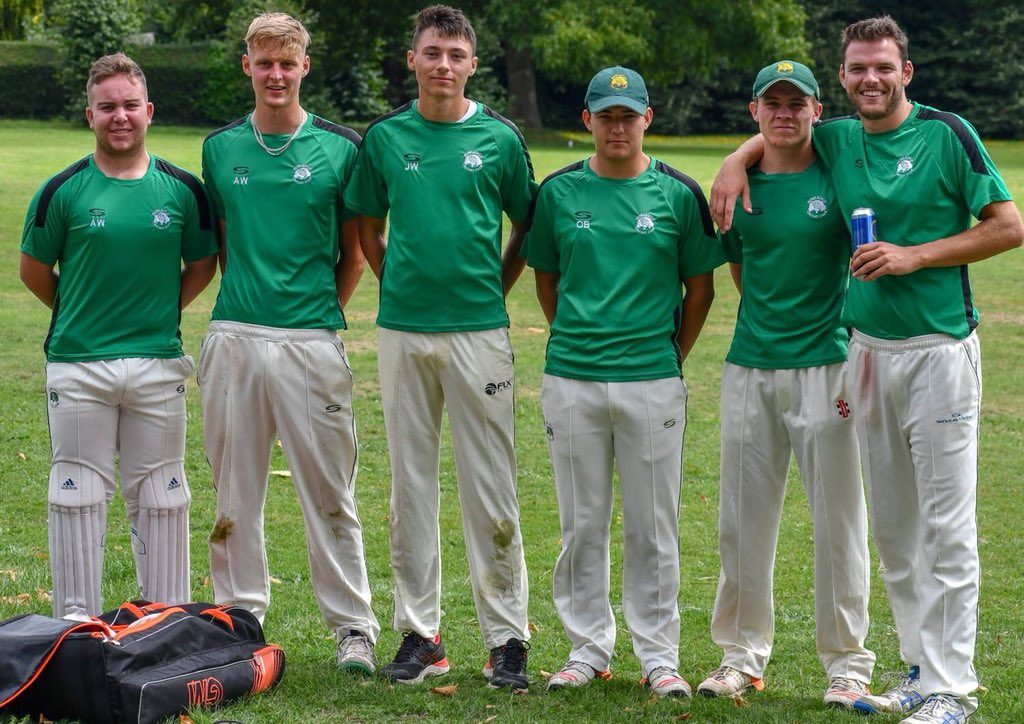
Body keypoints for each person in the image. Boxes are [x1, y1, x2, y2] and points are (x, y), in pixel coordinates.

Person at [709, 17, 1023, 724]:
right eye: (857, 70)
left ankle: (953, 689)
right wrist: (735, 158)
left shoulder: (947, 133)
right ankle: (919, 669)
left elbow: (1009, 225)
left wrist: (916, 256)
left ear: (905, 71)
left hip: (939, 349)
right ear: (843, 80)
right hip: (869, 354)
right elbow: (780, 128)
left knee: (947, 526)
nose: (871, 80)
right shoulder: (842, 137)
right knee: (895, 527)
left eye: (883, 67)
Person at [344, 4, 534, 689]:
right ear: (413, 60)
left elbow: (527, 226)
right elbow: (366, 224)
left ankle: (507, 638)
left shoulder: (502, 138)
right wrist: (396, 278)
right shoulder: (387, 138)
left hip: (479, 331)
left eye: (455, 54)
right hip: (402, 330)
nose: (443, 65)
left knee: (492, 488)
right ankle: (421, 634)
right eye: (432, 53)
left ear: (472, 63)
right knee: (410, 484)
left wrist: (493, 287)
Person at [524, 66, 723, 698]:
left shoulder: (678, 193)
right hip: (573, 380)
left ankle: (659, 655)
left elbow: (700, 289)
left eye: (627, 115)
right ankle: (587, 648)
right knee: (582, 522)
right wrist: (583, 339)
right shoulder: (557, 193)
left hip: (653, 381)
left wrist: (668, 355)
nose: (617, 126)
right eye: (605, 115)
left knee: (653, 524)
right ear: (587, 120)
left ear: (647, 119)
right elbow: (547, 281)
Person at [199, 12, 379, 674]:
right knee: (234, 490)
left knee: (330, 489)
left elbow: (354, 255)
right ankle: (239, 615)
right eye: (264, 62)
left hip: (311, 338)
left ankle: (353, 627)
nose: (276, 74)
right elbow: (222, 241)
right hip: (234, 335)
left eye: (288, 62)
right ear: (247, 65)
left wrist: (311, 315)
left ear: (305, 67)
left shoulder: (341, 147)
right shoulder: (220, 148)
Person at [694, 60, 874, 710]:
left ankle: (848, 666)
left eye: (797, 103)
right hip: (749, 367)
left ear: (817, 111)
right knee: (741, 522)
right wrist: (738, 160)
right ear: (755, 110)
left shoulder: (838, 170)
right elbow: (742, 269)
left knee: (839, 522)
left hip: (828, 366)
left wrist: (734, 154)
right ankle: (740, 658)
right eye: (772, 103)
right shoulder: (738, 191)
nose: (785, 114)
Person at [19, 53, 218, 620]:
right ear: (90, 115)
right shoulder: (63, 190)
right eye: (107, 107)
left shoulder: (182, 190)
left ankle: (162, 624)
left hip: (157, 363)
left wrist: (154, 309)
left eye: (130, 105)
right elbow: (34, 269)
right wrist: (86, 310)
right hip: (79, 364)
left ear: (149, 110)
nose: (120, 116)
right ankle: (75, 629)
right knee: (77, 495)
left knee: (161, 497)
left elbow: (201, 264)